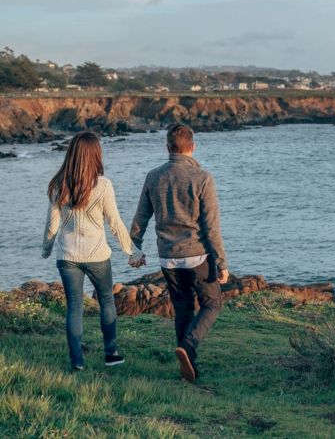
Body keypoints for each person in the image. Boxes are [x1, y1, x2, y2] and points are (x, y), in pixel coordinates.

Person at [129, 123, 229, 382]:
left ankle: (189, 368)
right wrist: (221, 262)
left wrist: (134, 247)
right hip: (197, 254)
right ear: (192, 147)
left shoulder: (153, 176)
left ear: (167, 148)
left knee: (183, 307)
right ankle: (189, 346)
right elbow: (211, 226)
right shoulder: (202, 178)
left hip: (167, 256)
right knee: (212, 303)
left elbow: (141, 216)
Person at [42, 131, 144, 371]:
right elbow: (115, 222)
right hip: (97, 256)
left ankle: (77, 361)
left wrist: (46, 250)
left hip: (67, 257)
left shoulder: (59, 185)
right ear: (95, 155)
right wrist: (133, 251)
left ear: (71, 155)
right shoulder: (103, 186)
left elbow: (51, 225)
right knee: (106, 300)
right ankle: (111, 354)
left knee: (74, 306)